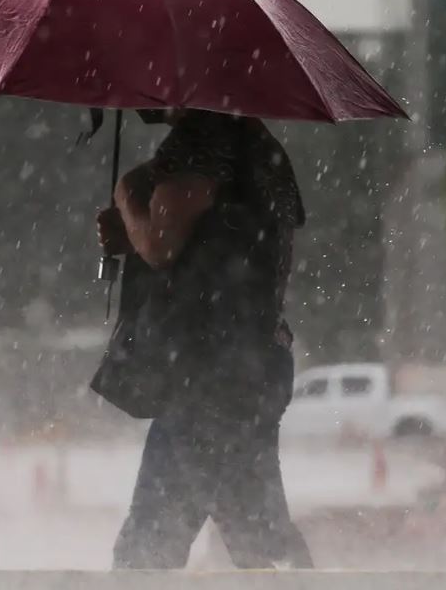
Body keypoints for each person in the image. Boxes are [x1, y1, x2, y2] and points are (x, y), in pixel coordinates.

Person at [95, 108, 313, 569]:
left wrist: (127, 198)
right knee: (250, 537)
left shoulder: (203, 138)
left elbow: (160, 243)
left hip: (208, 373)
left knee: (161, 547)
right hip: (247, 365)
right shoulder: (260, 144)